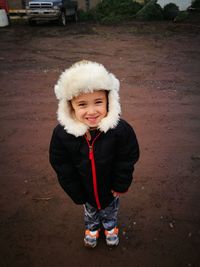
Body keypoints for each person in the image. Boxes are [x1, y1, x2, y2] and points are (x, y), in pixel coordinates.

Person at [49, 60, 139, 248]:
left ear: (109, 100)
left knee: (110, 210)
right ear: (70, 106)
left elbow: (127, 158)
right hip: (85, 190)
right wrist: (75, 191)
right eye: (82, 104)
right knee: (90, 211)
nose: (91, 111)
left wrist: (121, 183)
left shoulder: (119, 130)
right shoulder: (62, 135)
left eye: (98, 102)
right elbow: (62, 165)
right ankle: (92, 228)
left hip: (111, 188)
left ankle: (110, 227)